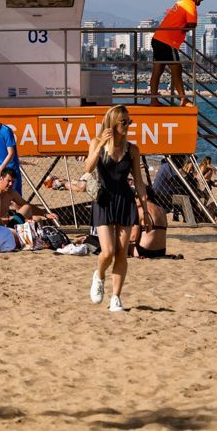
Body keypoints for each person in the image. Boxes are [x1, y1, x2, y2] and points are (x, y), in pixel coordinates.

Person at [85, 105, 152, 312]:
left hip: (124, 200)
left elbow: (139, 181)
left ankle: (116, 297)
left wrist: (145, 209)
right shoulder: (97, 143)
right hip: (104, 200)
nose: (128, 125)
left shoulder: (132, 150)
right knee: (108, 251)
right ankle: (99, 275)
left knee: (122, 253)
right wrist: (100, 145)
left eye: (129, 121)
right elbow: (87, 168)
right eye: (124, 122)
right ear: (112, 123)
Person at [147, 0, 202, 105]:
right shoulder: (190, 4)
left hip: (158, 38)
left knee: (158, 70)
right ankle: (183, 98)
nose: (200, 1)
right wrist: (184, 28)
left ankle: (153, 99)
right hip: (168, 41)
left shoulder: (180, 1)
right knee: (177, 68)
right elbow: (192, 24)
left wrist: (183, 26)